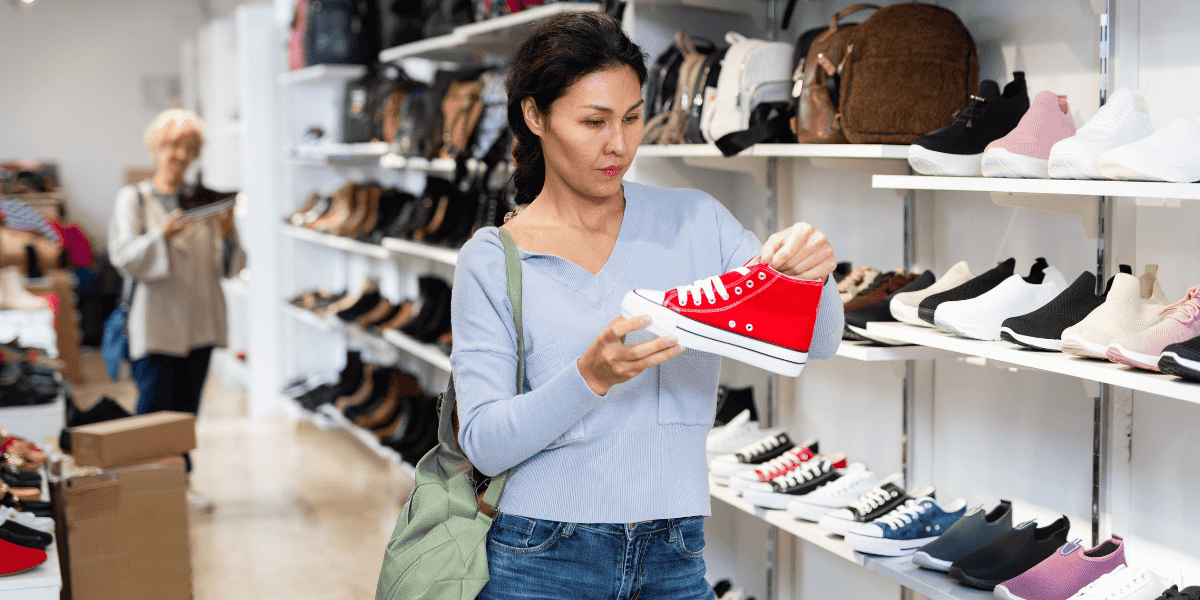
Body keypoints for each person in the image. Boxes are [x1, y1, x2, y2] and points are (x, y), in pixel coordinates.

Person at [451, 12, 844, 600]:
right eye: (594, 121)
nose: (620, 143)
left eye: (633, 118)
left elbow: (819, 339)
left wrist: (815, 273)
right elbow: (483, 439)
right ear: (535, 116)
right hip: (538, 557)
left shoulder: (695, 221)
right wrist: (589, 377)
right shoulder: (492, 260)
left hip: (674, 552)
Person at [107, 108, 245, 513]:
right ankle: (145, 484)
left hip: (199, 322)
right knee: (154, 408)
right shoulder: (134, 198)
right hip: (155, 323)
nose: (178, 154)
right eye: (171, 144)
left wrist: (228, 233)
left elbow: (231, 268)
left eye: (188, 147)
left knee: (186, 413)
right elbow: (123, 256)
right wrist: (161, 237)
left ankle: (179, 483)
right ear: (155, 148)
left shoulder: (202, 202)